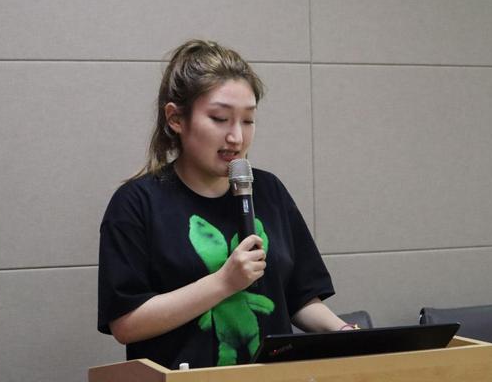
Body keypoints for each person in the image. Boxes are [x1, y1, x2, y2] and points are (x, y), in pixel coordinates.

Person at [98, 39, 355, 369]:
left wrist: (343, 332)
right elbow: (126, 324)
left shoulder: (269, 190)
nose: (236, 137)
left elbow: (300, 297)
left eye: (248, 120)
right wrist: (224, 283)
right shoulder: (137, 203)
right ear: (175, 118)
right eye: (220, 119)